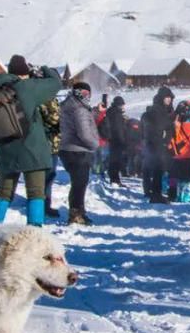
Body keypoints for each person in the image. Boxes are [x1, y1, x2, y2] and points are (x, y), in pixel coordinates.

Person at [0, 55, 62, 227]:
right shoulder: (26, 88)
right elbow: (56, 83)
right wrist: (43, 69)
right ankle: (34, 233)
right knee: (36, 193)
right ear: (25, 73)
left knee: (4, 193)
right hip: (31, 149)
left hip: (5, 149)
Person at [59, 81, 100, 225]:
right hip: (78, 150)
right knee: (79, 183)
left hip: (68, 148)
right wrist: (95, 144)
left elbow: (83, 120)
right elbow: (84, 133)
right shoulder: (79, 109)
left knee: (78, 183)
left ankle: (78, 212)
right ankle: (76, 214)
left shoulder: (70, 105)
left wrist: (95, 111)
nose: (86, 96)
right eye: (84, 93)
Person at [141, 87, 175, 203]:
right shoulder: (159, 110)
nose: (169, 99)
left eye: (170, 97)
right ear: (162, 98)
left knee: (158, 170)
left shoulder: (163, 109)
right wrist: (165, 138)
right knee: (158, 170)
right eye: (167, 97)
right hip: (157, 144)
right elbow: (164, 126)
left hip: (156, 144)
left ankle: (153, 192)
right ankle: (156, 194)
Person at [40, 96, 62, 218]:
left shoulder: (51, 99)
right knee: (47, 177)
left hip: (53, 144)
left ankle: (45, 204)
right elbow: (54, 120)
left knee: (50, 176)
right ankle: (43, 205)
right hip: (47, 144)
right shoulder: (44, 99)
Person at [104, 96, 128, 185]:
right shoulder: (116, 114)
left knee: (114, 160)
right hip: (117, 140)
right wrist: (123, 141)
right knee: (116, 161)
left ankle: (114, 179)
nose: (123, 107)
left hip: (112, 140)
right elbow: (119, 129)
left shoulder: (112, 112)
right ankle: (115, 179)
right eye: (122, 105)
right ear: (119, 105)